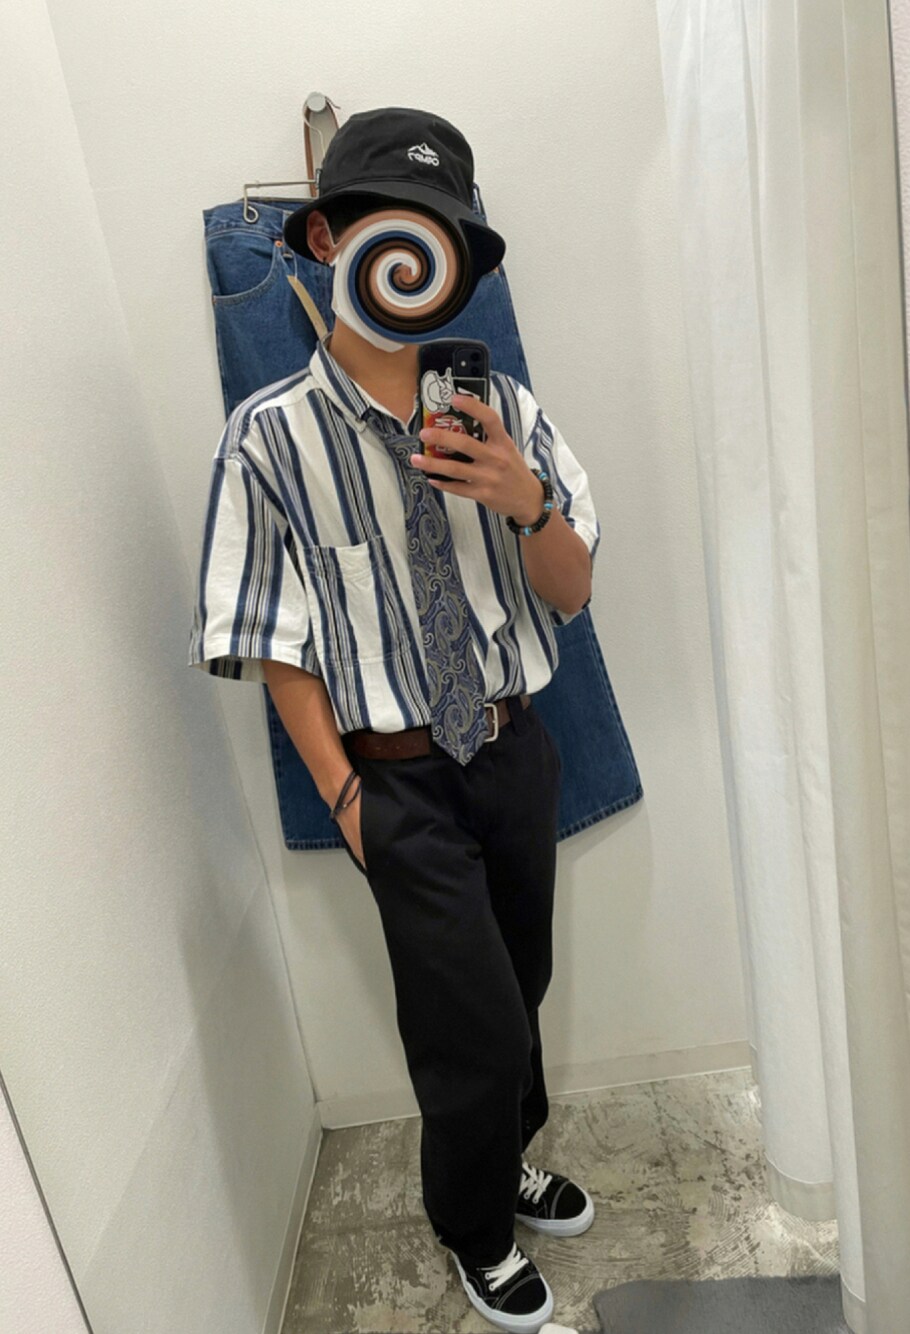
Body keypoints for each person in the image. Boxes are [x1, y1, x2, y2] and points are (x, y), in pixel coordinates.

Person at [188, 106, 599, 1334]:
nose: (422, 257)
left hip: (514, 751)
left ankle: (501, 1159)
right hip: (397, 782)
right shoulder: (268, 438)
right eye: (394, 227)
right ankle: (473, 1224)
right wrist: (348, 798)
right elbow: (271, 637)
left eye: (445, 237)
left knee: (518, 985)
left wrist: (522, 497)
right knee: (468, 1020)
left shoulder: (504, 408)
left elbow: (572, 589)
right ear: (329, 239)